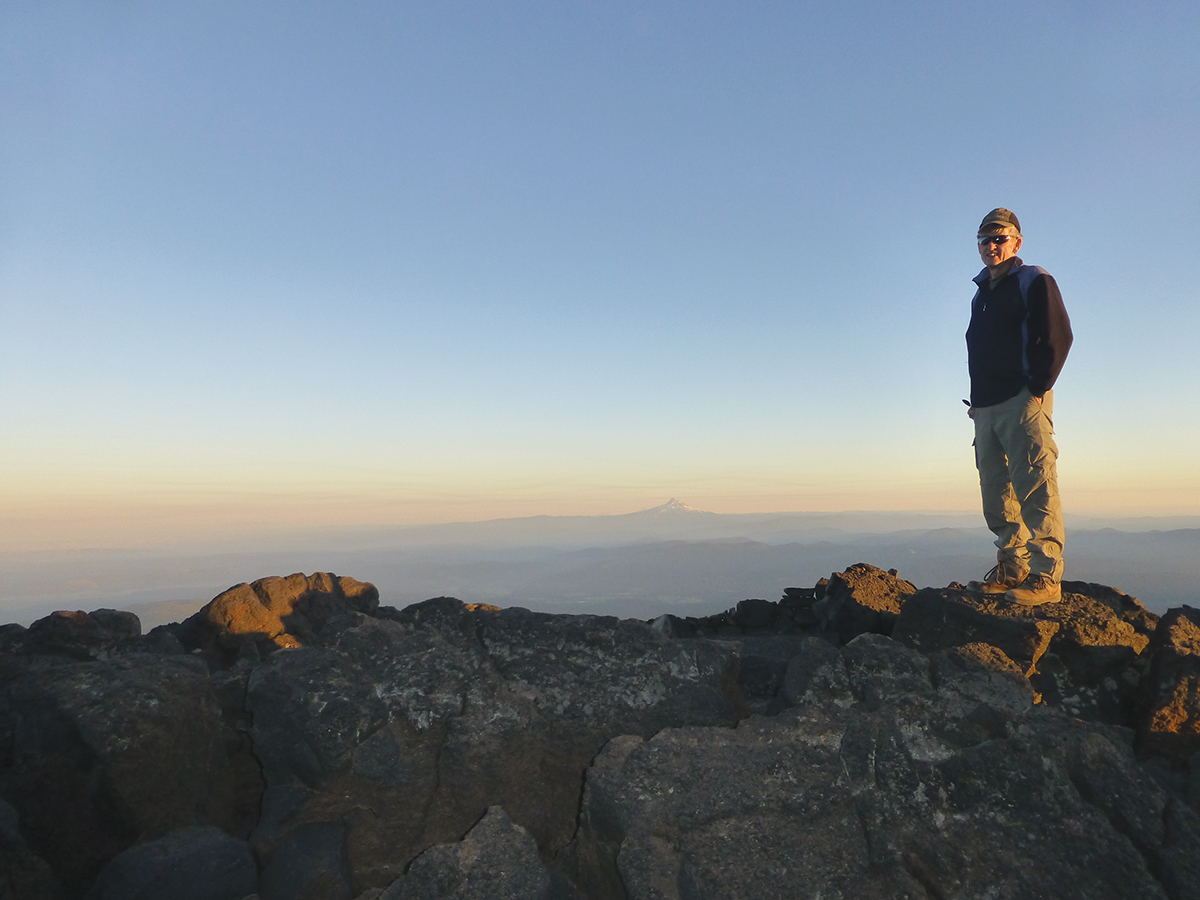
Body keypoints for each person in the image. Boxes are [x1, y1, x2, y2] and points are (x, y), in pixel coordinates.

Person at [965, 208, 1073, 605]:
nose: (991, 246)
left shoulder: (1033, 279)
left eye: (999, 238)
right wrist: (977, 402)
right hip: (987, 407)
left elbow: (1058, 335)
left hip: (1022, 400)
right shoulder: (981, 294)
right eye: (984, 239)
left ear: (1017, 242)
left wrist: (1038, 388)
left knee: (1035, 485)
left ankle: (1046, 578)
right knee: (996, 491)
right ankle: (1013, 567)